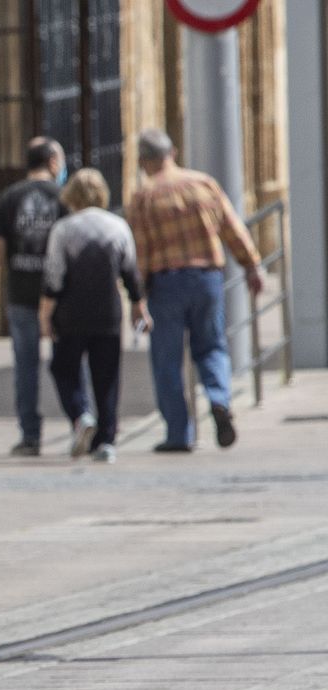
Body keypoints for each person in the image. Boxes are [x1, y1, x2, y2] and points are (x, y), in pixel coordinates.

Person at [125, 128, 262, 452]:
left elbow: (140, 251)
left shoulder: (144, 197)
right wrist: (252, 265)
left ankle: (179, 434)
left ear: (145, 162)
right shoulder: (202, 184)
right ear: (172, 152)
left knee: (167, 359)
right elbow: (232, 228)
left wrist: (137, 296)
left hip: (165, 283)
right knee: (212, 346)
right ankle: (219, 399)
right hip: (207, 278)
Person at [39, 169, 149, 465]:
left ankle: (80, 414)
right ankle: (107, 440)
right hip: (107, 312)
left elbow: (54, 277)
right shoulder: (117, 226)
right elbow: (130, 273)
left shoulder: (64, 229)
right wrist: (139, 307)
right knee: (107, 375)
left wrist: (45, 315)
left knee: (64, 367)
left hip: (71, 312)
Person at [0, 137, 67, 456]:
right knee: (71, 360)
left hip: (22, 295)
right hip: (61, 295)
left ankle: (30, 435)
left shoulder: (9, 198)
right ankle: (82, 420)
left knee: (25, 367)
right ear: (53, 163)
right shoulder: (63, 196)